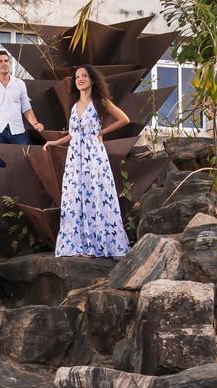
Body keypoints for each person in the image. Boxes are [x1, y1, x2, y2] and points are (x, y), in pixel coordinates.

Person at [44, 65, 132, 259]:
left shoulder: (100, 102)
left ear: (92, 79)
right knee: (74, 197)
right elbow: (73, 133)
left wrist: (101, 132)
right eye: (77, 77)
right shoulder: (74, 105)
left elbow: (124, 119)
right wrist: (55, 142)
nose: (80, 79)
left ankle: (97, 245)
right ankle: (77, 246)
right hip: (75, 158)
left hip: (93, 156)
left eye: (84, 75)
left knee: (95, 195)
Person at [0, 50, 45, 168]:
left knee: (30, 159)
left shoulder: (19, 84)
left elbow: (26, 108)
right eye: (0, 61)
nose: (4, 63)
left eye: (6, 61)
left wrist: (35, 123)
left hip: (17, 131)